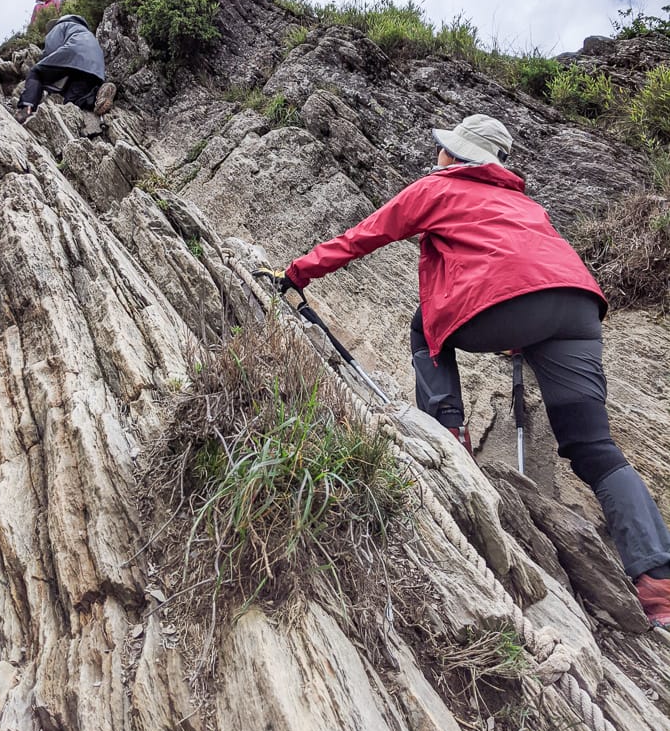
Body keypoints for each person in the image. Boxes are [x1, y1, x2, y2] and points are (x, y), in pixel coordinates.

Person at [262, 113, 670, 628]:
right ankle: (658, 581)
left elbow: (364, 236)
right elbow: (531, 269)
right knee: (594, 446)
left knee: (424, 327)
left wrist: (295, 273)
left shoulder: (438, 187)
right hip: (577, 304)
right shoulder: (525, 202)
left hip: (503, 303)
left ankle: (447, 436)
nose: (439, 155)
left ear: (454, 155)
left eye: (444, 149)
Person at [15, 14, 116, 123]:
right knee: (71, 101)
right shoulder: (87, 33)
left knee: (36, 73)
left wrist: (42, 65)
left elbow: (52, 51)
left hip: (73, 54)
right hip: (95, 67)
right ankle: (98, 95)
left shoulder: (61, 26)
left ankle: (27, 107)